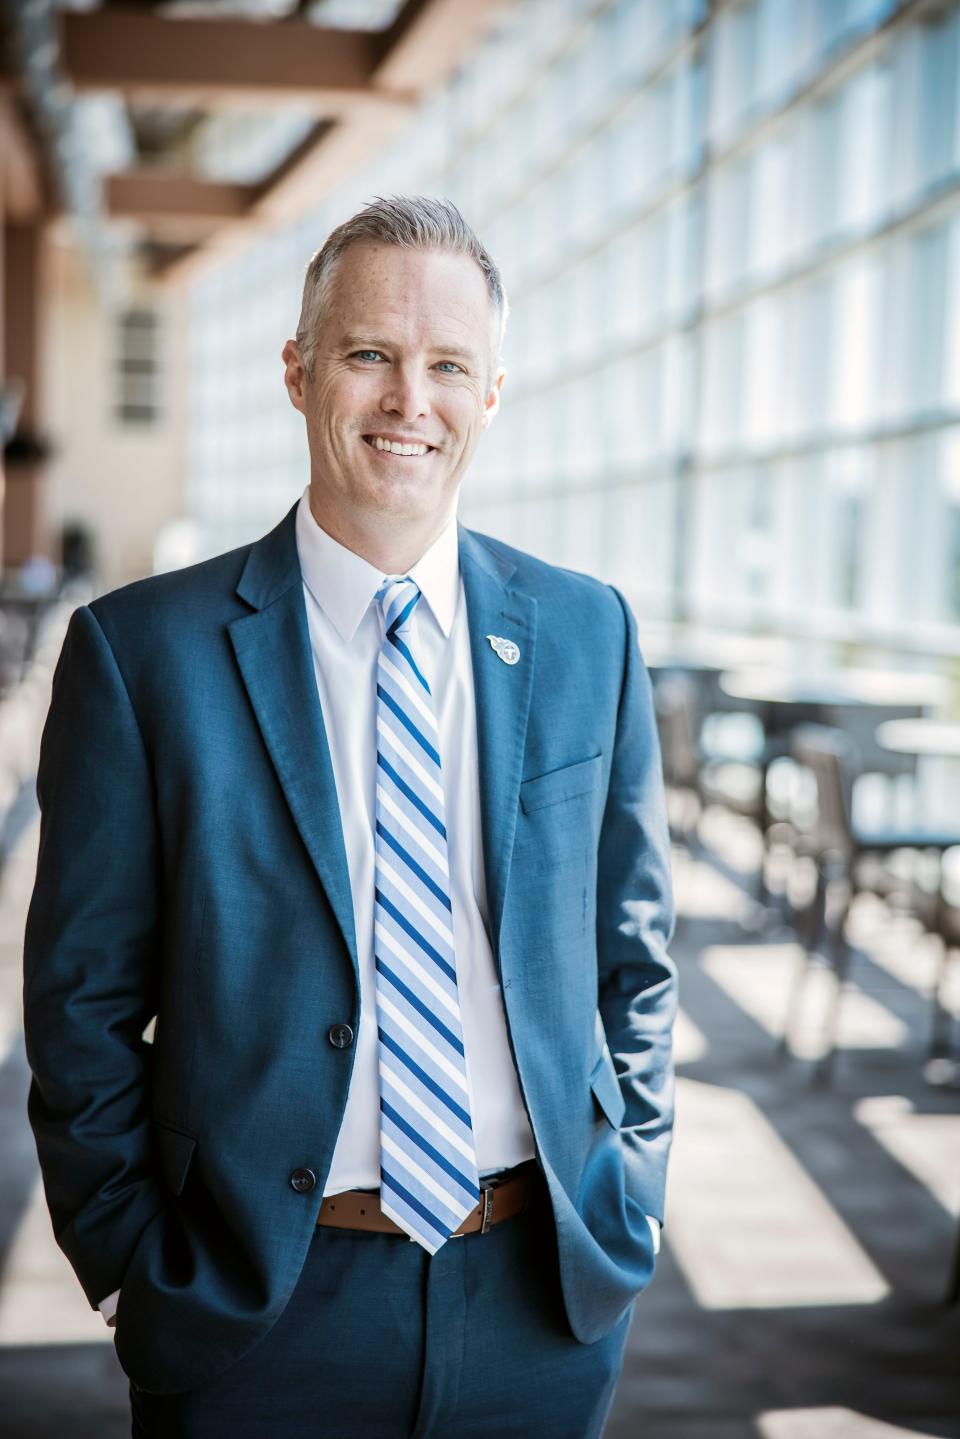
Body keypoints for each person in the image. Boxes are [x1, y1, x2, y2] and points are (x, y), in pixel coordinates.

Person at [22, 195, 677, 1438]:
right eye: (370, 353)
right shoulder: (139, 654)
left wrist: (628, 1183)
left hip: (541, 1298)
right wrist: (132, 1262)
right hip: (260, 1307)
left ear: (490, 394)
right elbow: (81, 999)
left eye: (447, 366)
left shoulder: (591, 632)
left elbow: (632, 952)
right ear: (298, 370)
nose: (406, 400)